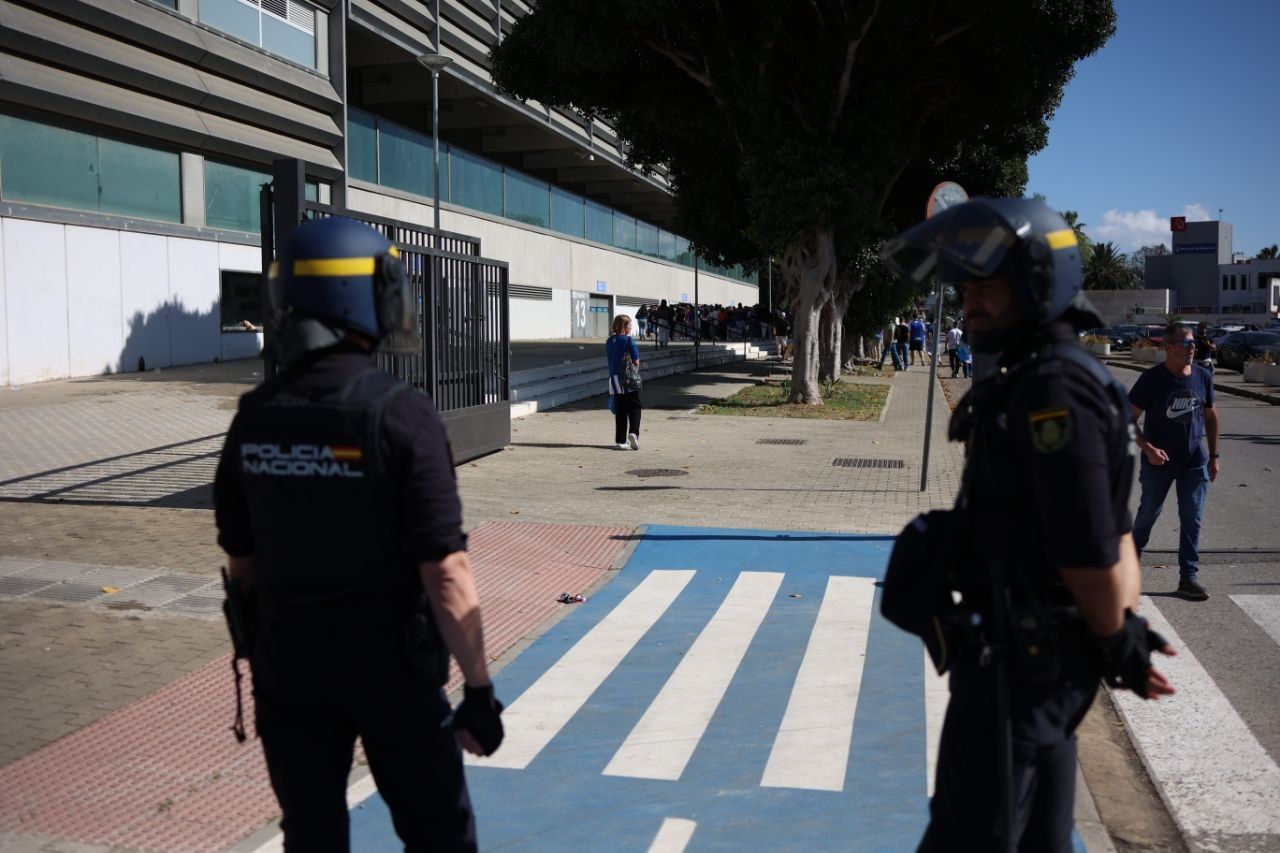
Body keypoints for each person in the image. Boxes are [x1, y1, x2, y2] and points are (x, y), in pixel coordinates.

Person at [882, 197, 1175, 852]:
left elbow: (1092, 550)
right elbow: (1116, 533)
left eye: (986, 286)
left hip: (1015, 685)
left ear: (1038, 280)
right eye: (964, 290)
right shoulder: (1070, 376)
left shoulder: (1052, 393)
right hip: (1039, 679)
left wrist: (1116, 637)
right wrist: (1117, 638)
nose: (970, 306)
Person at [213, 217, 504, 852]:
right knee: (439, 835)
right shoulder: (402, 415)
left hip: (288, 673)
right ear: (358, 297)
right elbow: (446, 571)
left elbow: (243, 567)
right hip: (392, 675)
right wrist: (478, 688)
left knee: (312, 837)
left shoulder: (253, 420)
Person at [1128, 322, 1219, 601]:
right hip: (1159, 463)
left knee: (1193, 519)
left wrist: (1214, 456)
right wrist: (1148, 448)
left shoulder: (1203, 376)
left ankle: (1187, 578)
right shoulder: (1152, 379)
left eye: (1193, 343)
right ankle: (1129, 565)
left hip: (1194, 461)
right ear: (1167, 347)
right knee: (1148, 514)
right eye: (1186, 343)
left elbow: (1211, 417)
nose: (1193, 348)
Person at [607, 313, 642, 450]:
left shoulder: (609, 341)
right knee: (635, 406)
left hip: (614, 378)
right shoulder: (628, 340)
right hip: (628, 378)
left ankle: (620, 440)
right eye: (630, 325)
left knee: (620, 409)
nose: (631, 328)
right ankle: (634, 432)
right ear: (624, 327)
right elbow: (636, 360)